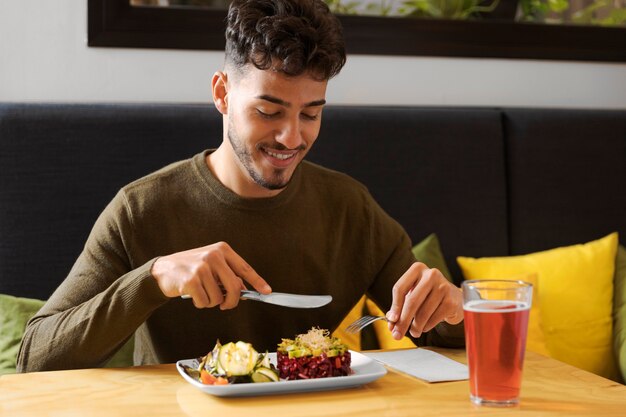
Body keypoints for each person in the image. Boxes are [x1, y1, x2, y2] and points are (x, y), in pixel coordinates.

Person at [17, 0, 463, 372]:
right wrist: (153, 280)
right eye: (269, 111)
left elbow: (447, 334)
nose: (292, 137)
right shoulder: (141, 209)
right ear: (222, 93)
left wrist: (453, 307)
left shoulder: (350, 208)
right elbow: (33, 360)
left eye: (310, 113)